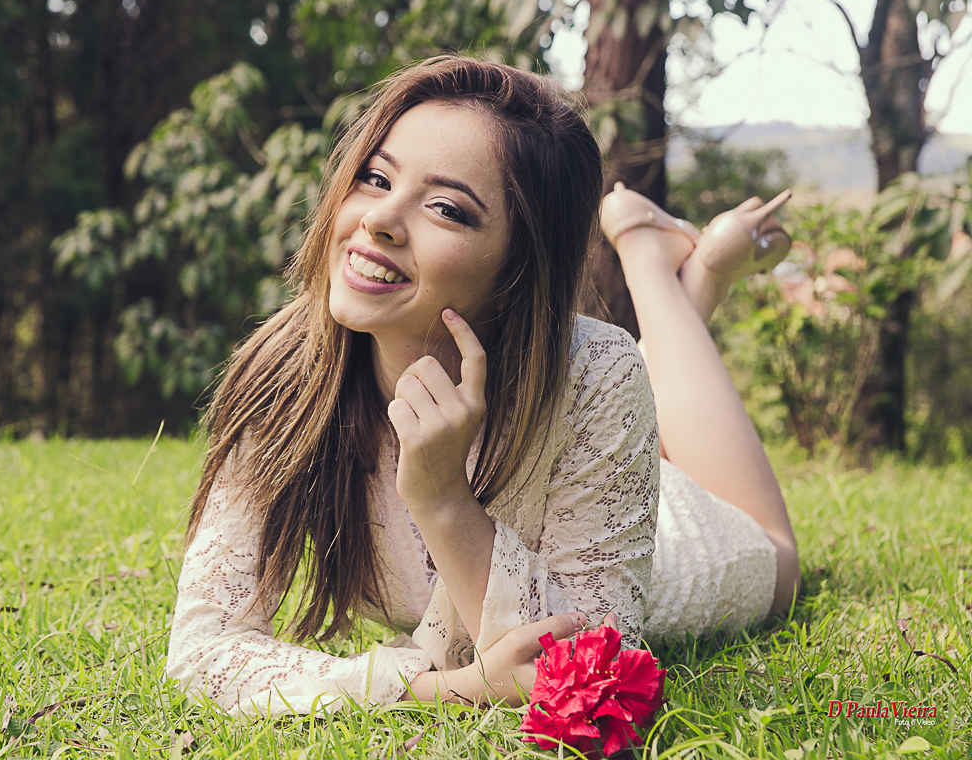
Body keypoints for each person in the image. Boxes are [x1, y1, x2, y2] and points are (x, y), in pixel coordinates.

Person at [165, 55, 800, 716]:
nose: (379, 218)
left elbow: (586, 675)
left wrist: (445, 501)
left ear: (517, 267)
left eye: (447, 208)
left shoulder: (596, 371)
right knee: (642, 406)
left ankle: (647, 248)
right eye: (376, 177)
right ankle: (685, 276)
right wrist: (448, 688)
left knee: (779, 560)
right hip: (595, 464)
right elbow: (202, 650)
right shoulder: (286, 373)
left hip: (668, 538)